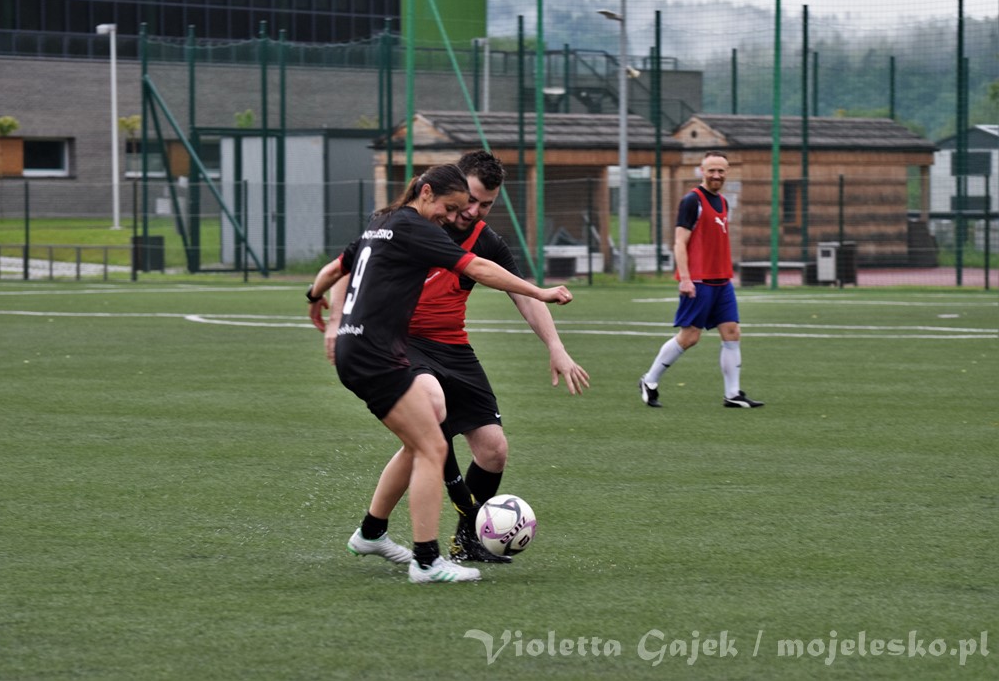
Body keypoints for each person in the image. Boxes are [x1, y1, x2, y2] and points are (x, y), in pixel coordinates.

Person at [307, 164, 573, 584]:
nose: (465, 214)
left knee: (475, 447)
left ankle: (377, 533)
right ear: (432, 192)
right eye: (461, 204)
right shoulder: (416, 226)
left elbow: (336, 268)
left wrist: (314, 296)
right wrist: (541, 290)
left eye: (483, 205)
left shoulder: (391, 221)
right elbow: (476, 269)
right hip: (394, 347)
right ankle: (428, 559)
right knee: (431, 433)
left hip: (417, 348)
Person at [638, 150, 763, 409]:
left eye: (721, 171)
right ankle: (649, 380)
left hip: (722, 281)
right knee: (690, 337)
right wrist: (685, 279)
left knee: (732, 332)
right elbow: (679, 243)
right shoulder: (691, 201)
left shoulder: (723, 202)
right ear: (702, 171)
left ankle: (732, 394)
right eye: (711, 170)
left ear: (727, 173)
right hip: (698, 281)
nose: (716, 175)